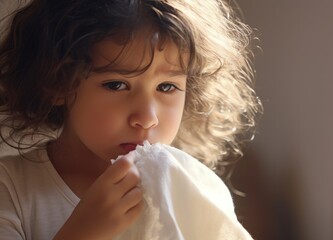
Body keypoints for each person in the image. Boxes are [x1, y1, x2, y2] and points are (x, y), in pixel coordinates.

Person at [0, 0, 262, 239]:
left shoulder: (185, 189)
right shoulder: (10, 187)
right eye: (116, 85)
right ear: (57, 82)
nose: (147, 118)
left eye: (167, 87)